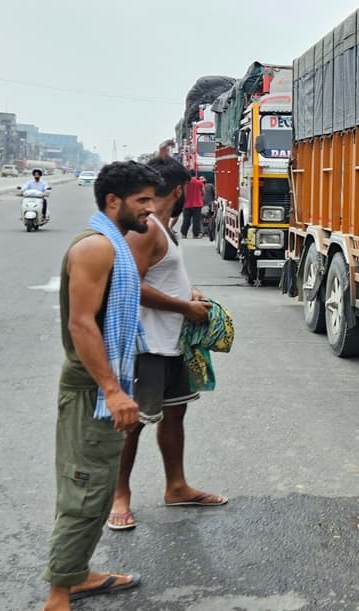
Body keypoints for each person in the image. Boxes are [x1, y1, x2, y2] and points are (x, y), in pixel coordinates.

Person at [43, 161, 161, 611]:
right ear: (114, 201)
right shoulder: (96, 248)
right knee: (86, 487)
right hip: (93, 386)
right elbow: (82, 324)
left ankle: (78, 574)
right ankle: (58, 595)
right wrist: (112, 391)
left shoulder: (112, 243)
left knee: (95, 486)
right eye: (142, 201)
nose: (149, 210)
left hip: (105, 382)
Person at [106, 156, 226, 531]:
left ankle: (176, 486)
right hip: (149, 344)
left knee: (175, 414)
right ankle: (119, 495)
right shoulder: (146, 230)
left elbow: (158, 276)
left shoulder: (162, 227)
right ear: (178, 190)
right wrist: (184, 306)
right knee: (134, 422)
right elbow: (132, 286)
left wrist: (188, 292)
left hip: (172, 341)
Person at [181, 173, 205, 239]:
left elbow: (183, 192)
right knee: (196, 220)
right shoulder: (199, 182)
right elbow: (203, 192)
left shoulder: (186, 183)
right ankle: (195, 234)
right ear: (195, 175)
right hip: (197, 204)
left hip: (187, 204)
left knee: (186, 220)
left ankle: (184, 234)